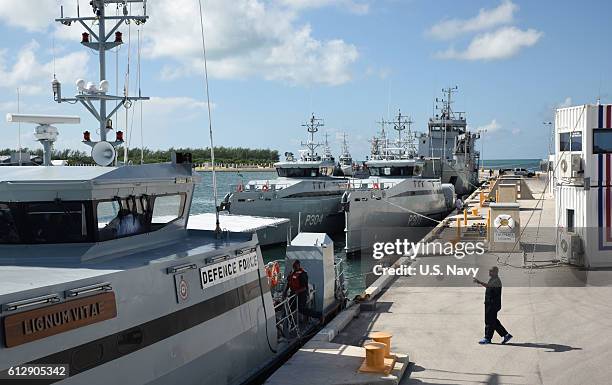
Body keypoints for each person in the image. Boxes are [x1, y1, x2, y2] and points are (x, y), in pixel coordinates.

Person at [473, 266, 513, 345]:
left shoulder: (496, 281)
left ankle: (487, 338)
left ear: (495, 272)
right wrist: (480, 282)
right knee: (493, 321)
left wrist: (479, 282)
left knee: (489, 321)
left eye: (491, 271)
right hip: (490, 303)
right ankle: (506, 335)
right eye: (489, 270)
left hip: (492, 304)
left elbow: (489, 286)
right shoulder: (493, 279)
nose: (489, 272)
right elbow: (488, 286)